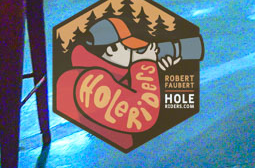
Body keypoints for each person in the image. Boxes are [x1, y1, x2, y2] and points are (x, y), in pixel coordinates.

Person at [54, 16, 181, 151]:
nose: (134, 52)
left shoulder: (104, 72)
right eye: (129, 48)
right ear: (111, 50)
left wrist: (156, 71)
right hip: (105, 155)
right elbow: (141, 116)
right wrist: (145, 65)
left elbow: (124, 92)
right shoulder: (89, 80)